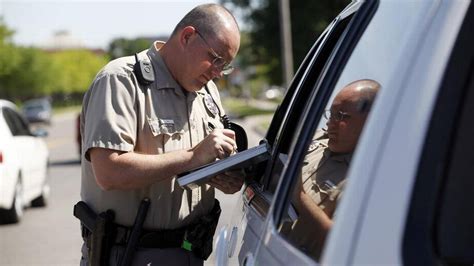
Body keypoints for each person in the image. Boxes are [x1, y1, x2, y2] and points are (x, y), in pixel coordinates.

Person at [78, 4, 243, 265]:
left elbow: (192, 165)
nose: (217, 72)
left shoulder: (207, 91)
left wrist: (221, 174)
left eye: (225, 66)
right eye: (215, 58)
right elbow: (108, 172)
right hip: (131, 254)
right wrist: (192, 156)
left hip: (191, 249)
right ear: (187, 36)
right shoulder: (121, 81)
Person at [285, 79, 380, 260]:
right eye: (331, 114)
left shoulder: (368, 179)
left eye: (342, 116)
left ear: (371, 122)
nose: (330, 124)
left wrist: (299, 196)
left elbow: (342, 245)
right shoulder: (315, 140)